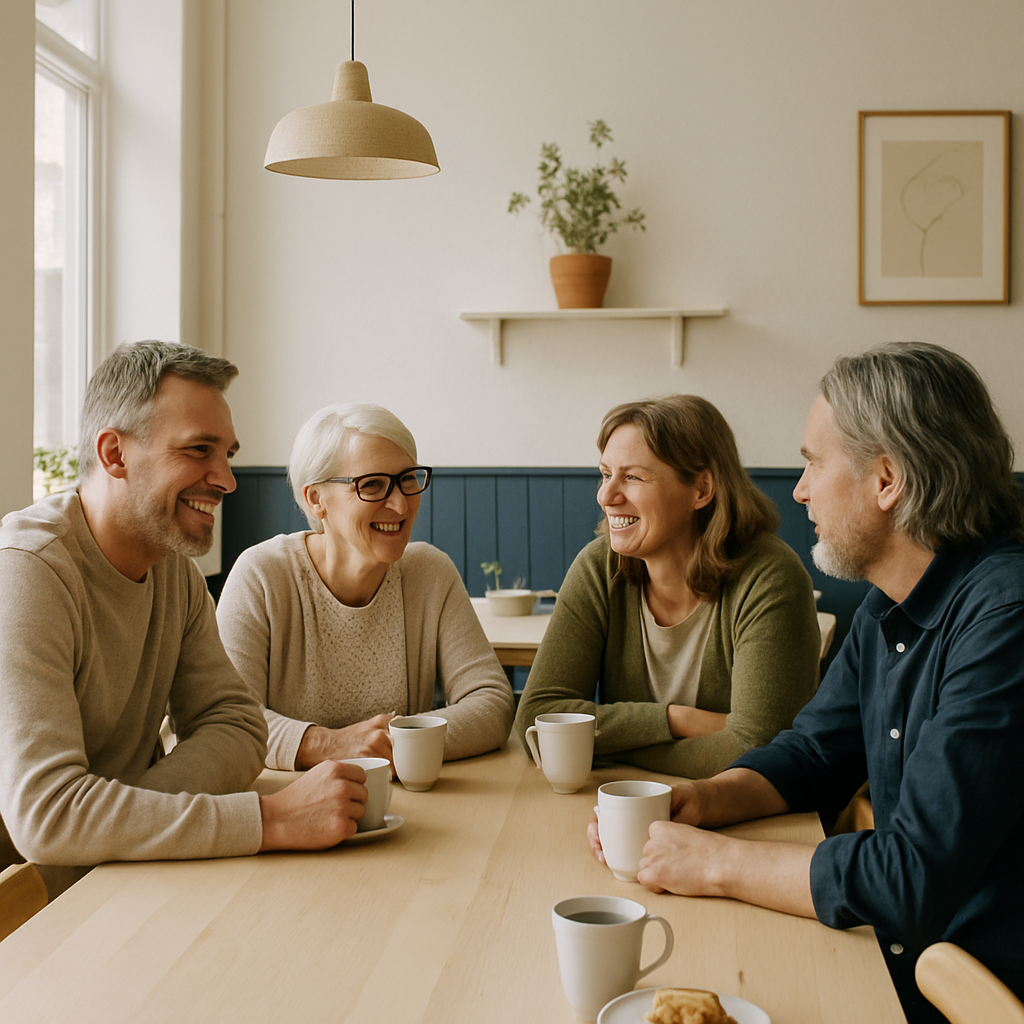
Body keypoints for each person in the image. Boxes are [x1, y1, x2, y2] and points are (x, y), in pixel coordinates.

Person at [610, 344, 1024, 1024]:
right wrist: (703, 801)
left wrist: (717, 863)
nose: (798, 490)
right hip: (894, 963)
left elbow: (908, 877)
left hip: (958, 996)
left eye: (812, 461)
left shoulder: (1005, 619)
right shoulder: (887, 602)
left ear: (886, 479)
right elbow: (818, 754)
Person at [0, 342, 371, 898]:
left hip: (118, 884)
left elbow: (239, 727)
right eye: (199, 450)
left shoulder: (171, 567)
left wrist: (118, 819)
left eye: (228, 453)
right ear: (114, 455)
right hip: (33, 920)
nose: (226, 479)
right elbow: (49, 816)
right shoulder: (28, 572)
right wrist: (270, 821)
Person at [514, 394, 820, 778]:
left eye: (633, 477)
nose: (605, 496)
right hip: (621, 813)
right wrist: (677, 720)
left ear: (701, 490)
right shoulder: (598, 567)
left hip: (748, 822)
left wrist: (611, 753)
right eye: (606, 473)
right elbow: (537, 716)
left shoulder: (770, 578)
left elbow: (758, 750)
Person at [216, 403, 515, 772]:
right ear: (316, 499)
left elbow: (491, 703)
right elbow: (228, 722)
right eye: (372, 485)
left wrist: (391, 744)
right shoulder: (262, 575)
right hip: (288, 804)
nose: (400, 503)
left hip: (407, 806)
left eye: (408, 478)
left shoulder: (430, 572)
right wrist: (331, 744)